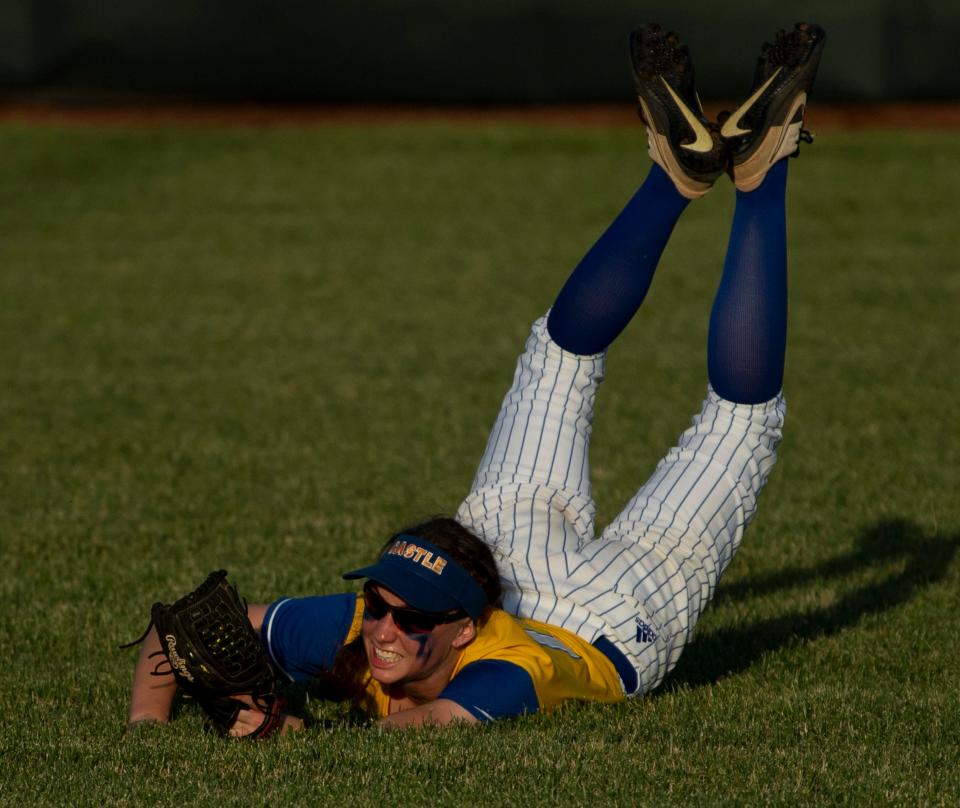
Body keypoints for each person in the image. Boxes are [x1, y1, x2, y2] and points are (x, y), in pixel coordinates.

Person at [127, 22, 826, 732]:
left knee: (735, 418)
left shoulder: (510, 671)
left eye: (409, 616)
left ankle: (744, 181)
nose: (386, 628)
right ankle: (711, 175)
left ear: (463, 630)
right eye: (380, 603)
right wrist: (146, 728)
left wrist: (284, 732)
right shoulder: (370, 624)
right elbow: (179, 631)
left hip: (610, 617)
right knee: (566, 357)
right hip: (501, 546)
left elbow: (428, 726)